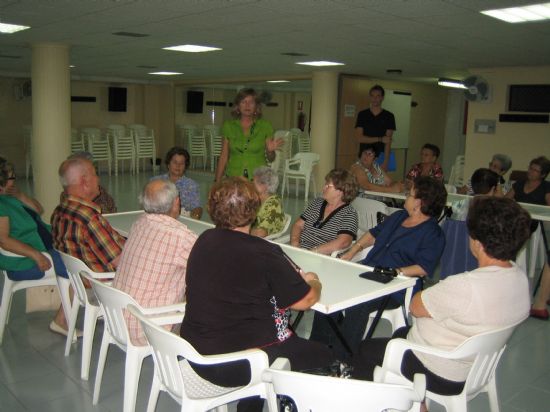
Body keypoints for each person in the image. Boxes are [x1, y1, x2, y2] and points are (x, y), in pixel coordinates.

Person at [352, 197, 531, 402]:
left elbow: (415, 306)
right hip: (477, 365)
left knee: (365, 350)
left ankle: (365, 402)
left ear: (478, 243)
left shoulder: (466, 286)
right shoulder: (519, 279)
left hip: (440, 369)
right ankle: (418, 405)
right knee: (401, 332)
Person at [180, 177, 334, 412]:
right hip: (236, 364)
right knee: (329, 358)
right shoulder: (264, 252)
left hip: (196, 354)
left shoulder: (204, 240)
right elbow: (307, 300)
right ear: (254, 210)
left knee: (256, 333)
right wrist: (315, 282)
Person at [327, 177, 447, 357]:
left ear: (419, 203)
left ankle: (343, 358)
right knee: (329, 286)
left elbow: (424, 267)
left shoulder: (433, 233)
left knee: (357, 303)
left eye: (410, 194)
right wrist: (352, 252)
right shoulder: (399, 216)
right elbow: (373, 235)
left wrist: (398, 271)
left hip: (395, 285)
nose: (406, 196)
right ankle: (322, 346)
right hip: (369, 270)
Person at [113, 179, 197, 345]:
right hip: (147, 328)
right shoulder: (181, 238)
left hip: (116, 319)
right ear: (176, 203)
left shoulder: (139, 223)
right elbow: (211, 269)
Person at [0, 158, 71, 337]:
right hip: (25, 262)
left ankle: (83, 303)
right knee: (76, 264)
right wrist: (36, 255)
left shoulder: (9, 198)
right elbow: (3, 240)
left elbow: (38, 209)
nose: (14, 180)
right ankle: (61, 319)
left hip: (43, 247)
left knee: (79, 251)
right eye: (10, 177)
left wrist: (20, 195)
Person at [51, 157, 125, 272]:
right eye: (95, 175)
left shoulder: (59, 211)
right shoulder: (89, 218)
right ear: (85, 181)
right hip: (105, 284)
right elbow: (121, 262)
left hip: (81, 279)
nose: (98, 179)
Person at [215, 88, 284, 181]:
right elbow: (223, 156)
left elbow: (271, 158)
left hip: (258, 179)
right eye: (243, 102)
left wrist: (270, 151)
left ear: (256, 106)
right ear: (238, 106)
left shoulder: (265, 126)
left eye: (251, 102)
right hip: (234, 177)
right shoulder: (228, 126)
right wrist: (217, 181)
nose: (247, 105)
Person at [290, 168, 358, 255]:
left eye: (328, 186)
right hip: (300, 250)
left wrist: (312, 252)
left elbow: (343, 242)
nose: (323, 188)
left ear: (340, 191)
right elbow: (298, 225)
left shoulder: (349, 213)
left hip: (322, 256)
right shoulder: (317, 202)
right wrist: (295, 243)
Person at [354, 84, 395, 171]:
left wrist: (386, 161)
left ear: (382, 98)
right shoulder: (362, 115)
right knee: (362, 182)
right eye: (372, 96)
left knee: (380, 183)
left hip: (381, 156)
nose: (375, 99)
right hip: (364, 156)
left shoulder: (389, 116)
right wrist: (380, 139)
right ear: (370, 97)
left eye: (378, 96)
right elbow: (359, 138)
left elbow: (388, 141)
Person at [153, 147, 202, 219]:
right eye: (175, 162)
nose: (178, 166)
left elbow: (197, 207)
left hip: (182, 219)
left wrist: (195, 216)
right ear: (168, 164)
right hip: (159, 218)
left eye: (181, 163)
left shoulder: (192, 185)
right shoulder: (156, 182)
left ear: (185, 166)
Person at [250, 166, 285, 238]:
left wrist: (241, 230)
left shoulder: (273, 205)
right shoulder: (259, 200)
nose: (251, 183)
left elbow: (261, 233)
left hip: (264, 244)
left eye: (253, 181)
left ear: (264, 186)